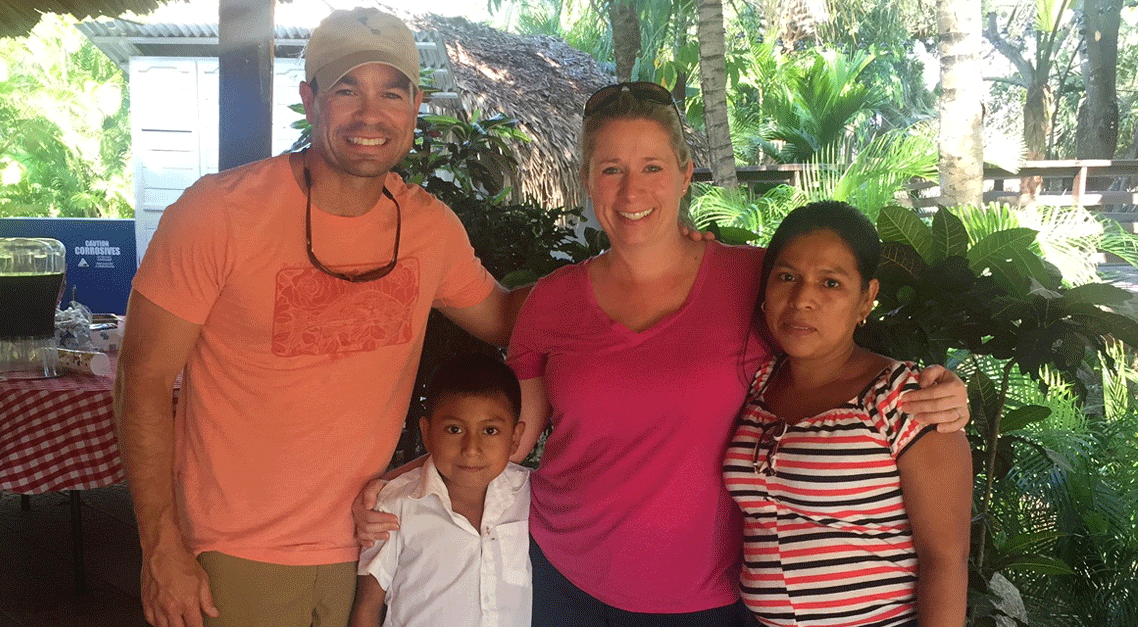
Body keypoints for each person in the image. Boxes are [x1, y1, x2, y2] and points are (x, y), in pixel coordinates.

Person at [358, 82, 971, 626]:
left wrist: (938, 389)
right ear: (586, 178)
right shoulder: (551, 302)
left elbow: (833, 341)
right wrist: (398, 489)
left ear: (685, 173)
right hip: (562, 577)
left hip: (705, 597)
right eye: (611, 169)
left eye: (652, 167)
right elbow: (508, 441)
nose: (632, 191)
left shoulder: (755, 280)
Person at [113, 8, 521, 627]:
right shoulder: (217, 214)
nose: (369, 114)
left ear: (416, 106)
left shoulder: (429, 228)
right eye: (346, 90)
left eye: (392, 93)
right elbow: (140, 380)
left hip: (370, 542)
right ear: (310, 100)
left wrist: (627, 269)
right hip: (233, 553)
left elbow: (507, 320)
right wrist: (161, 546)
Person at [722, 201, 972, 627]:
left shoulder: (908, 400)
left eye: (831, 283)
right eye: (787, 277)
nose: (802, 300)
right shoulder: (758, 381)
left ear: (866, 297)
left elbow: (946, 560)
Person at [350, 353, 531, 627]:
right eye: (454, 429)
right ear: (427, 433)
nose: (471, 449)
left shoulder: (528, 494)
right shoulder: (395, 506)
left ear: (515, 438)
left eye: (490, 431)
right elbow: (368, 606)